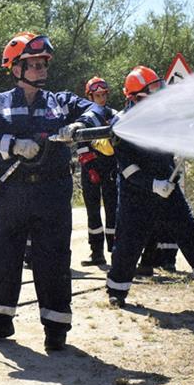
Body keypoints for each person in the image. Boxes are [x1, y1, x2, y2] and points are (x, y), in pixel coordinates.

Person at [0, 32, 107, 352]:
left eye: (44, 64)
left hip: (52, 195)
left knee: (54, 260)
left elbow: (96, 109)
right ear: (15, 68)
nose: (41, 70)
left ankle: (56, 329)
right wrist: (13, 145)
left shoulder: (61, 103)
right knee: (4, 259)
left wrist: (79, 125)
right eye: (33, 64)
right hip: (9, 194)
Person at [105, 65, 194, 308]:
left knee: (189, 230)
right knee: (128, 242)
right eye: (153, 90)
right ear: (136, 97)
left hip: (168, 184)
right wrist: (153, 184)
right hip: (137, 192)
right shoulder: (121, 124)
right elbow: (127, 168)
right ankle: (117, 291)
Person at [77, 76, 118, 267]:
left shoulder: (114, 114)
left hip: (111, 168)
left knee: (113, 211)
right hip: (91, 169)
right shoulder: (86, 117)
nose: (101, 98)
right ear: (90, 96)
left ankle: (116, 251)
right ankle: (97, 253)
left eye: (103, 94)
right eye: (97, 95)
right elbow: (81, 144)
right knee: (92, 212)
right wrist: (90, 167)